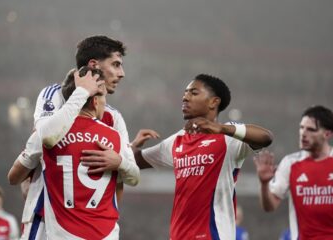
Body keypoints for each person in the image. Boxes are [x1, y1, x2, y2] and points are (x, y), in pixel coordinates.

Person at [9, 35, 158, 239]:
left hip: (91, 225)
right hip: (44, 218)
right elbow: (46, 137)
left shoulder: (113, 117)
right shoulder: (54, 95)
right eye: (116, 64)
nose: (121, 73)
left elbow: (123, 178)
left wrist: (123, 157)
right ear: (93, 64)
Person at [133, 74, 273, 240]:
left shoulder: (228, 137)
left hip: (214, 235)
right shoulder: (177, 140)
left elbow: (266, 137)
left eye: (193, 92)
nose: (185, 97)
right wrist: (134, 144)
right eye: (185, 93)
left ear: (214, 102)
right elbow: (135, 161)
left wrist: (221, 129)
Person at [38, 67, 139, 239]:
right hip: (105, 234)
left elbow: (14, 177)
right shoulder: (114, 135)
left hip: (63, 234)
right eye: (104, 97)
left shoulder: (51, 131)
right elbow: (134, 178)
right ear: (95, 101)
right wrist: (120, 162)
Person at [253, 105, 333, 239]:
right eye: (301, 128)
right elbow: (269, 206)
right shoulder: (290, 163)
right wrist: (264, 184)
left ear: (327, 134)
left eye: (311, 129)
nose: (303, 134)